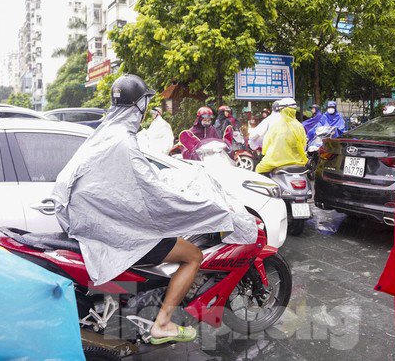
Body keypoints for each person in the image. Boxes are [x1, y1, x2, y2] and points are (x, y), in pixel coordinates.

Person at [51, 75, 255, 345]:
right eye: (146, 101)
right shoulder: (123, 141)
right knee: (193, 255)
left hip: (94, 223)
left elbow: (135, 181)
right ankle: (163, 323)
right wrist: (205, 209)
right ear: (139, 105)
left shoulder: (104, 134)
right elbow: (152, 193)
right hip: (118, 231)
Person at [256, 98, 308, 174]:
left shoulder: (275, 125)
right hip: (298, 162)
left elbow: (266, 144)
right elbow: (304, 145)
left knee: (259, 170)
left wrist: (264, 153)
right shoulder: (299, 126)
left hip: (274, 162)